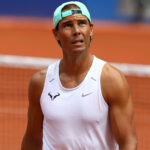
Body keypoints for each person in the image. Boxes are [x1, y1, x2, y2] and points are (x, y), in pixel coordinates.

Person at [21, 1, 137, 150]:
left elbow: (128, 141)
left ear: (91, 30)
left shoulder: (111, 80)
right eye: (68, 25)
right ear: (56, 34)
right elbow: (32, 139)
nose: (76, 31)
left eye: (82, 23)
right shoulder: (40, 82)